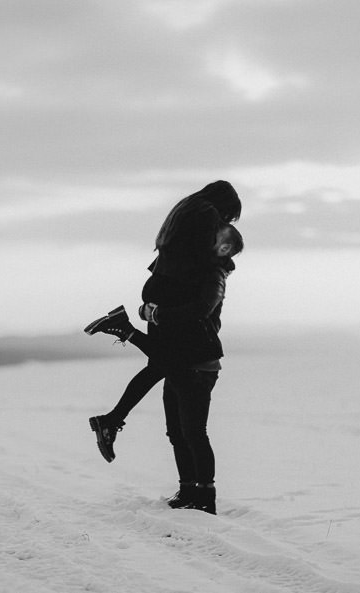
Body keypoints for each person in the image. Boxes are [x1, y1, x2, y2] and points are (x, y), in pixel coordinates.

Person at [85, 223, 244, 514]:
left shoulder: (214, 275)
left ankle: (206, 498)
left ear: (224, 248)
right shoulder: (197, 269)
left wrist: (157, 313)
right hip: (183, 358)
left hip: (199, 364)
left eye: (214, 236)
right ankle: (187, 491)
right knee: (176, 432)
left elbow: (200, 310)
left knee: (195, 432)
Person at [85, 181, 241, 458]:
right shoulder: (206, 213)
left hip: (159, 284)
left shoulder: (185, 207)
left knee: (161, 361)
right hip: (174, 290)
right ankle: (111, 417)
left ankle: (112, 418)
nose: (225, 223)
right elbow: (202, 255)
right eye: (229, 217)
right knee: (164, 362)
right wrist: (223, 267)